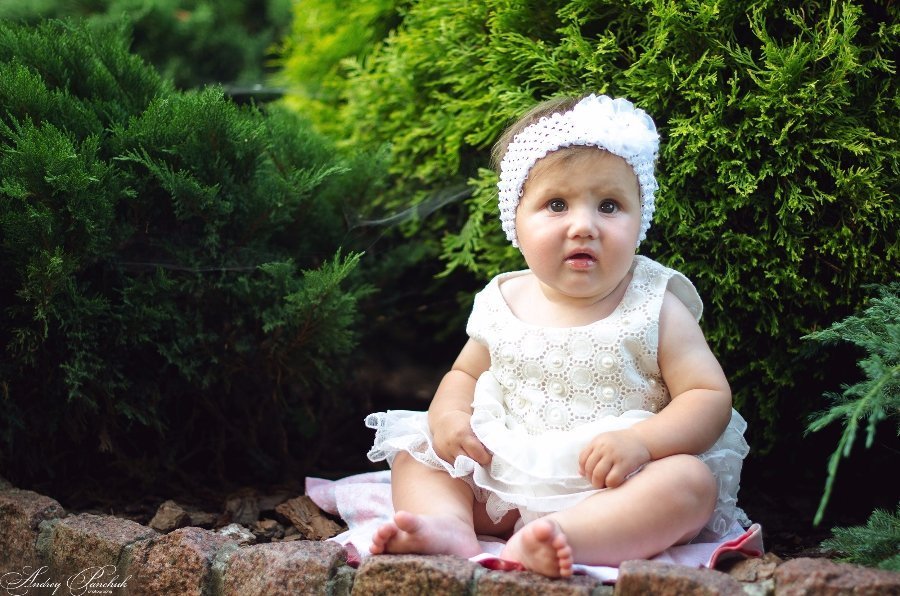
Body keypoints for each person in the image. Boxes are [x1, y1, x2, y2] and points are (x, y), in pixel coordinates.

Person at [365, 93, 749, 578]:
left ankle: (566, 536)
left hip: (614, 484)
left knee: (689, 483)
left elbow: (707, 395)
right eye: (556, 204)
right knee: (416, 452)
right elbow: (463, 374)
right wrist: (448, 419)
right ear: (516, 221)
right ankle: (447, 525)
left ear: (640, 218)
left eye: (609, 205)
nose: (584, 226)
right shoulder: (504, 299)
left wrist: (644, 443)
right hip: (502, 478)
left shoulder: (654, 304)